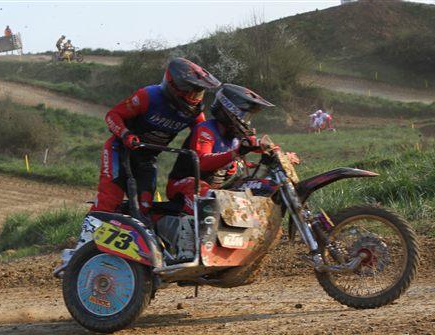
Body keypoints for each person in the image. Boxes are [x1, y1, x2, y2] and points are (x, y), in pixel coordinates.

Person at [54, 58, 220, 275]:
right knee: (108, 200)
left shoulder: (194, 112)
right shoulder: (147, 96)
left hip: (147, 159)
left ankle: (141, 255)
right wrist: (125, 134)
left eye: (199, 93)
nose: (196, 97)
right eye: (192, 92)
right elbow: (112, 115)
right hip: (120, 151)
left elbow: (201, 133)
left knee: (145, 207)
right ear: (174, 86)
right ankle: (78, 254)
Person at [166, 84, 274, 214]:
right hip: (184, 186)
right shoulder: (206, 130)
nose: (245, 121)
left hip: (216, 189)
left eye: (248, 117)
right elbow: (203, 162)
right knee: (207, 194)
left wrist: (278, 153)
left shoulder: (237, 135)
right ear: (229, 112)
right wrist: (236, 152)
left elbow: (259, 144)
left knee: (250, 190)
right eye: (243, 116)